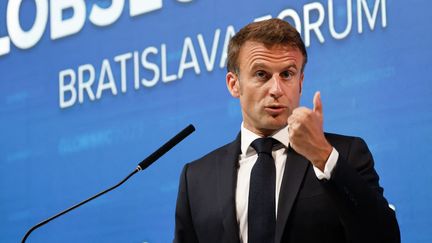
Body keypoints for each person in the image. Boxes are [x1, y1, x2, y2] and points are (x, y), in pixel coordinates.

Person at [174, 18, 400, 243]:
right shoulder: (196, 179)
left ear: (300, 82)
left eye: (287, 74)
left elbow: (385, 238)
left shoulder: (344, 153)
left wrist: (323, 156)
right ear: (234, 84)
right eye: (261, 74)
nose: (276, 89)